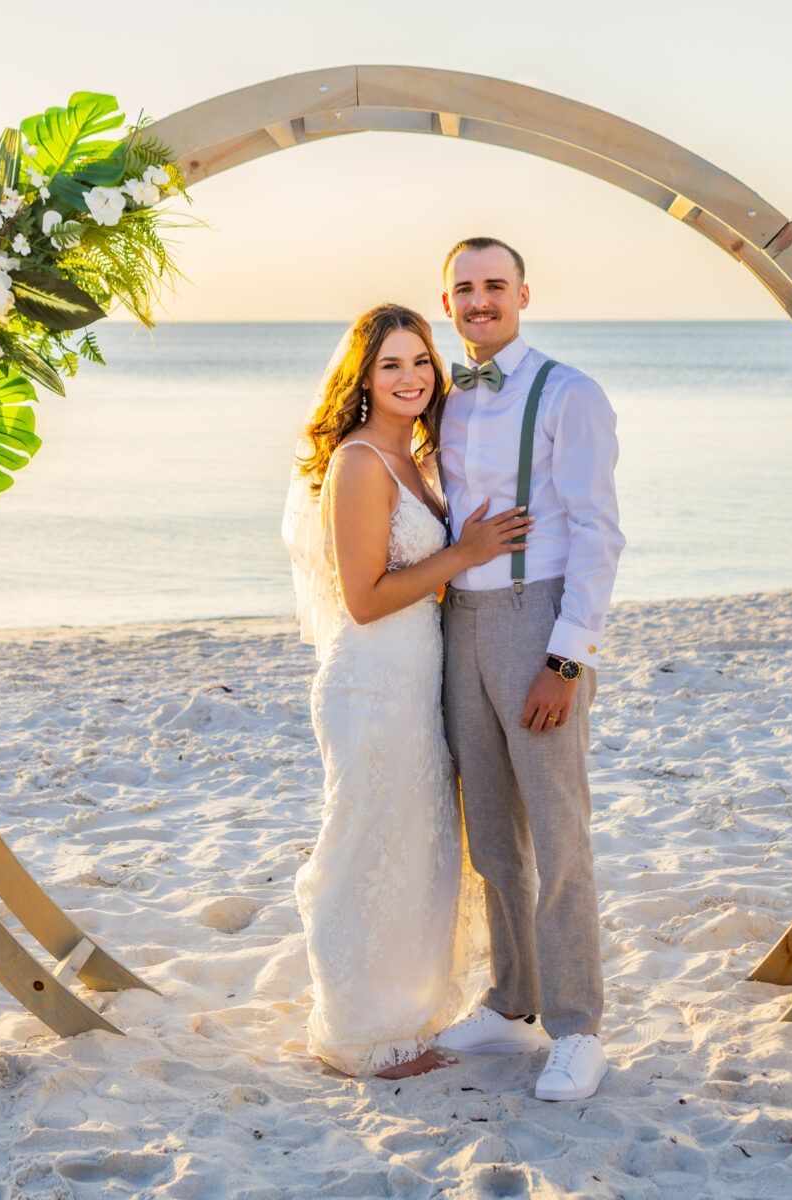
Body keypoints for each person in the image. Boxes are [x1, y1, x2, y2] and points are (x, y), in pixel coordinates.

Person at [283, 302, 532, 1079]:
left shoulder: (415, 461)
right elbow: (364, 597)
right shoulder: (360, 462)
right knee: (367, 852)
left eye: (420, 360)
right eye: (391, 364)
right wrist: (466, 552)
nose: (411, 377)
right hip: (371, 685)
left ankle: (403, 1016)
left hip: (414, 683)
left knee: (417, 849)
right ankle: (358, 1036)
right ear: (363, 377)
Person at [431, 238, 625, 1102]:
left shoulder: (569, 392)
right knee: (492, 835)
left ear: (524, 294)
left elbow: (597, 530)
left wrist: (565, 659)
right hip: (456, 623)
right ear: (449, 302)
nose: (480, 301)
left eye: (494, 286)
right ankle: (512, 1006)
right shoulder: (443, 395)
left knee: (559, 831)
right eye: (465, 288)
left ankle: (579, 1027)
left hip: (534, 618)